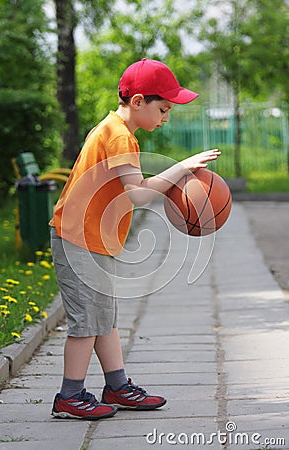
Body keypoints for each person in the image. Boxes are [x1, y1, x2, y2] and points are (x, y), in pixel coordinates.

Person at [50, 58, 221, 420]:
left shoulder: (117, 131)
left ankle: (117, 386)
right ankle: (70, 395)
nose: (165, 118)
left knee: (105, 318)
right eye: (163, 109)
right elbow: (139, 195)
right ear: (138, 101)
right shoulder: (118, 135)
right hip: (78, 240)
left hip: (93, 239)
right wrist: (182, 168)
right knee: (86, 323)